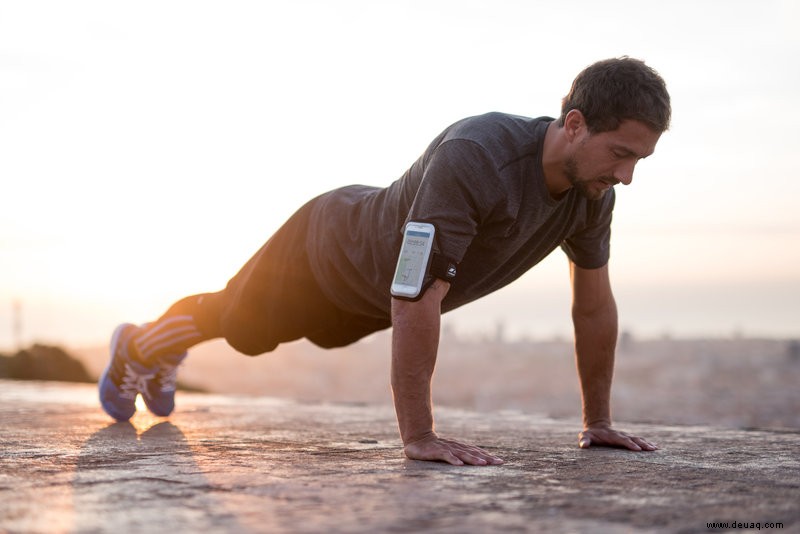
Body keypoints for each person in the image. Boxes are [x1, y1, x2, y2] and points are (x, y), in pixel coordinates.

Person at [99, 56, 671, 466]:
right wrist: (419, 435)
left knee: (321, 336)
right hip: (326, 248)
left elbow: (593, 308)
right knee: (245, 327)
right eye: (620, 154)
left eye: (638, 160)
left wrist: (596, 424)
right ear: (575, 124)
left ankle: (153, 346)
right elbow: (416, 290)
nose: (626, 176)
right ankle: (141, 346)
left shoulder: (593, 196)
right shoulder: (476, 156)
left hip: (374, 298)